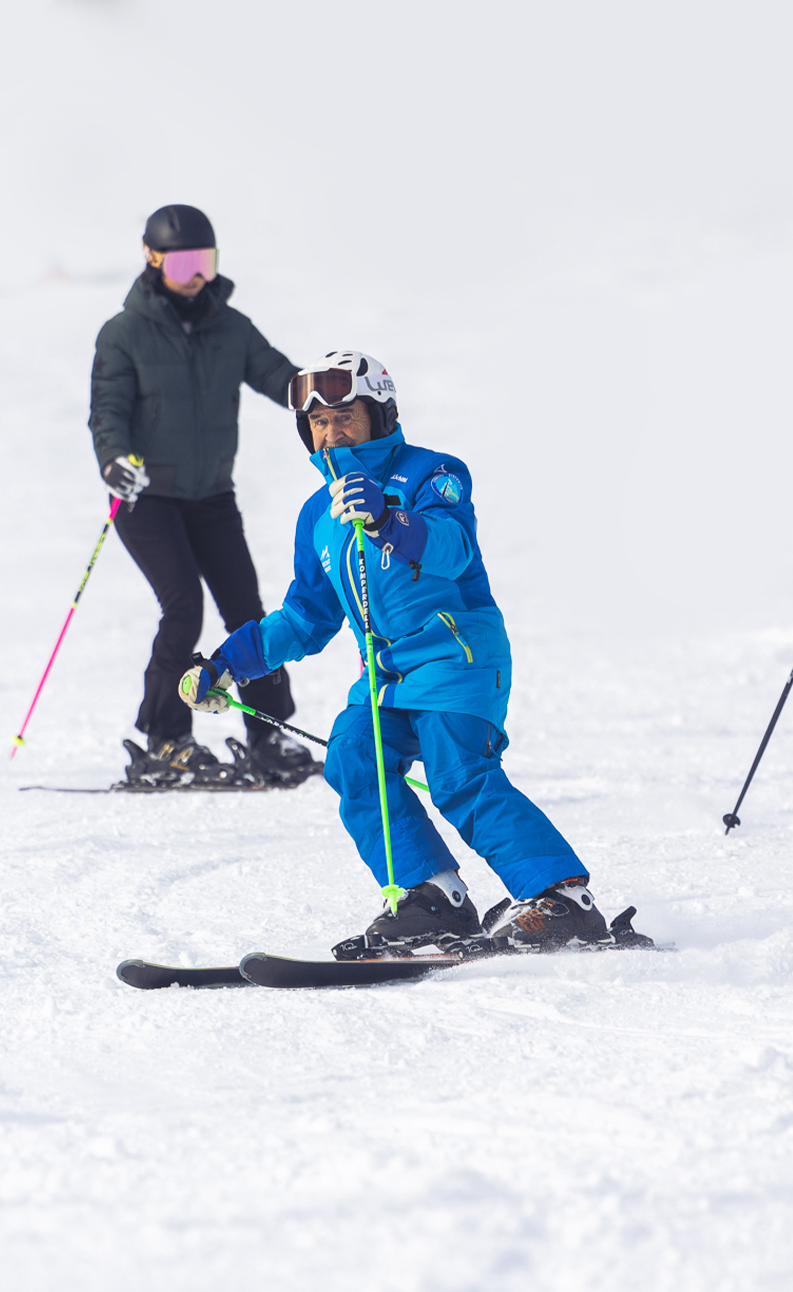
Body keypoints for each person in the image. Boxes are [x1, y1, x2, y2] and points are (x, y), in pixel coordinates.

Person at [179, 352, 648, 953]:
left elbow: (453, 549)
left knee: (458, 774)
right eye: (318, 423)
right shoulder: (318, 514)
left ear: (381, 415)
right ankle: (431, 895)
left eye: (345, 417)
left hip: (457, 655)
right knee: (352, 755)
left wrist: (387, 519)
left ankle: (561, 897)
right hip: (386, 675)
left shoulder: (433, 473)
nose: (332, 434)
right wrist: (226, 663)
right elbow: (305, 616)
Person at [88, 204, 317, 787]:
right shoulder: (123, 334)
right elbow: (107, 411)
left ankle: (268, 733)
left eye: (204, 262)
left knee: (247, 610)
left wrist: (322, 394)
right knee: (183, 607)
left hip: (212, 496)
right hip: (147, 499)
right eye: (181, 263)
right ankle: (168, 738)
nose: (194, 275)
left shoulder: (230, 327)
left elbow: (278, 375)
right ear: (152, 258)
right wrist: (113, 460)